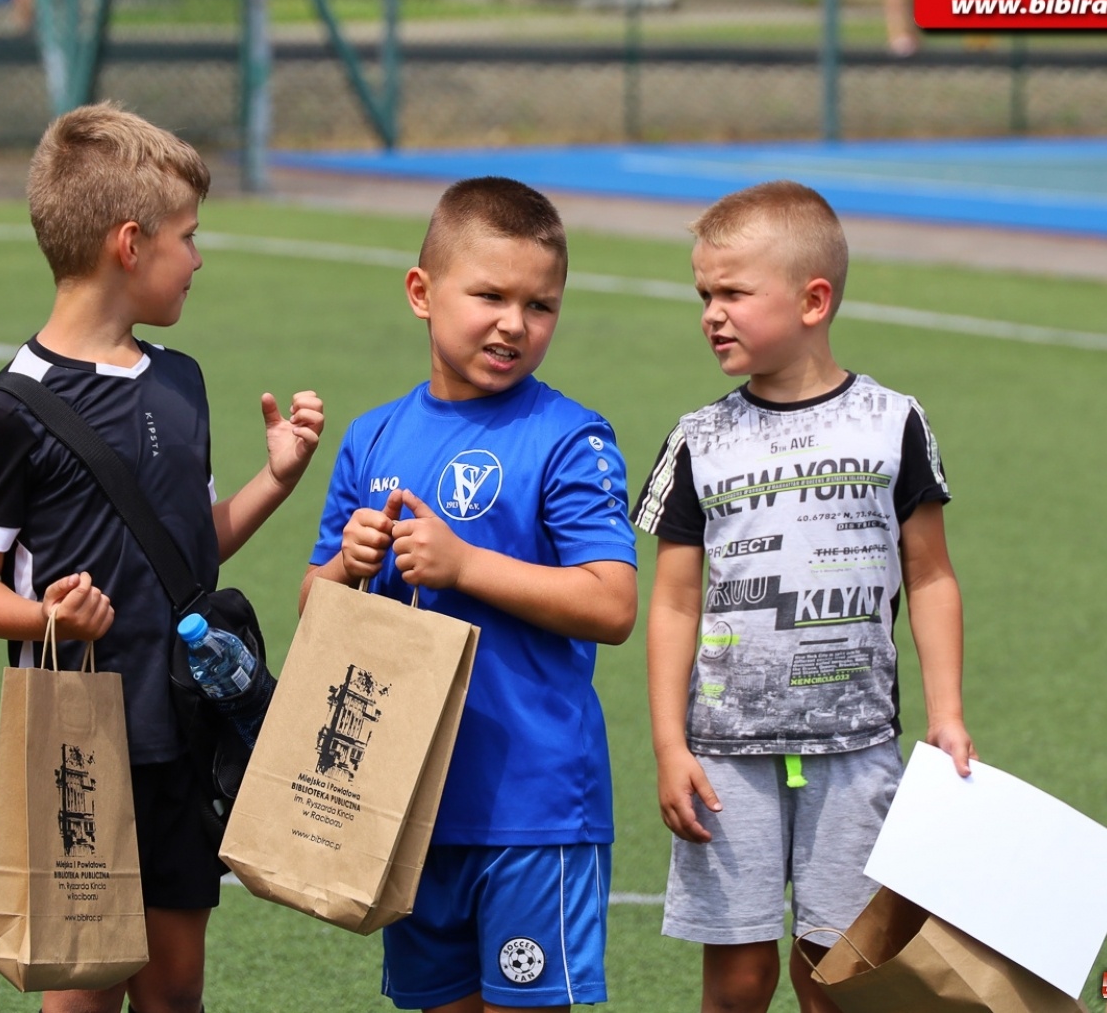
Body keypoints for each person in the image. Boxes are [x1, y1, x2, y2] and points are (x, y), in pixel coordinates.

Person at [0, 102, 325, 1013]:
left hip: (185, 729)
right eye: (188, 236)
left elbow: (193, 550)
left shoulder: (182, 380)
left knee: (175, 988)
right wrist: (47, 617)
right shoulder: (8, 412)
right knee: (84, 988)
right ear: (130, 243)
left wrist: (274, 480)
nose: (198, 257)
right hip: (79, 742)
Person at [630, 180, 975, 1013]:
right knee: (740, 981)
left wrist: (947, 714)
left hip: (857, 749)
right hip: (726, 757)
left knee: (838, 978)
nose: (712, 313)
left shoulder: (893, 422)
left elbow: (931, 574)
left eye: (733, 293)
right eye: (704, 294)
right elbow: (673, 603)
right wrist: (670, 744)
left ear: (813, 300)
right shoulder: (699, 438)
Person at [300, 176, 638, 1013]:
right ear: (422, 292)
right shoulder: (372, 436)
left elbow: (612, 603)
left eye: (540, 305)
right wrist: (345, 567)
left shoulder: (569, 436)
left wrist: (464, 564)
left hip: (534, 807)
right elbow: (315, 610)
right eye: (490, 296)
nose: (514, 324)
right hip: (407, 802)